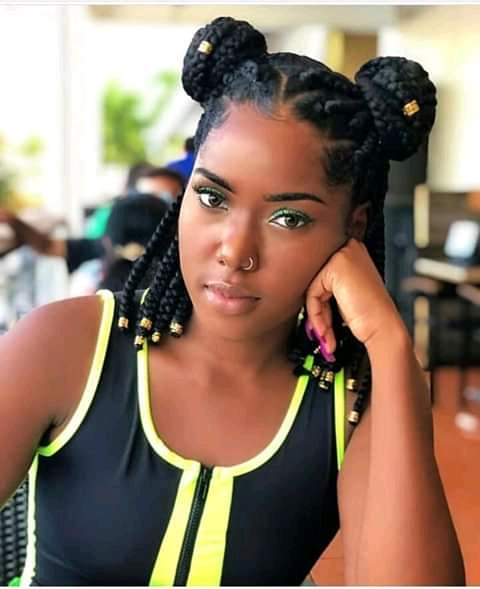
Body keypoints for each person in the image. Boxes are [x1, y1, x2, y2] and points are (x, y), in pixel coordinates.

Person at [0, 16, 465, 587]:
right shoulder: (68, 347)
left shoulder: (351, 397)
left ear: (352, 230)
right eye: (213, 197)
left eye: (288, 218)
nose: (235, 251)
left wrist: (390, 345)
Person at [0, 166, 185, 275]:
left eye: (164, 199)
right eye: (143, 196)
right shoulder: (109, 245)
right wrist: (13, 221)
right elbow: (49, 246)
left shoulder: (185, 266)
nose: (144, 206)